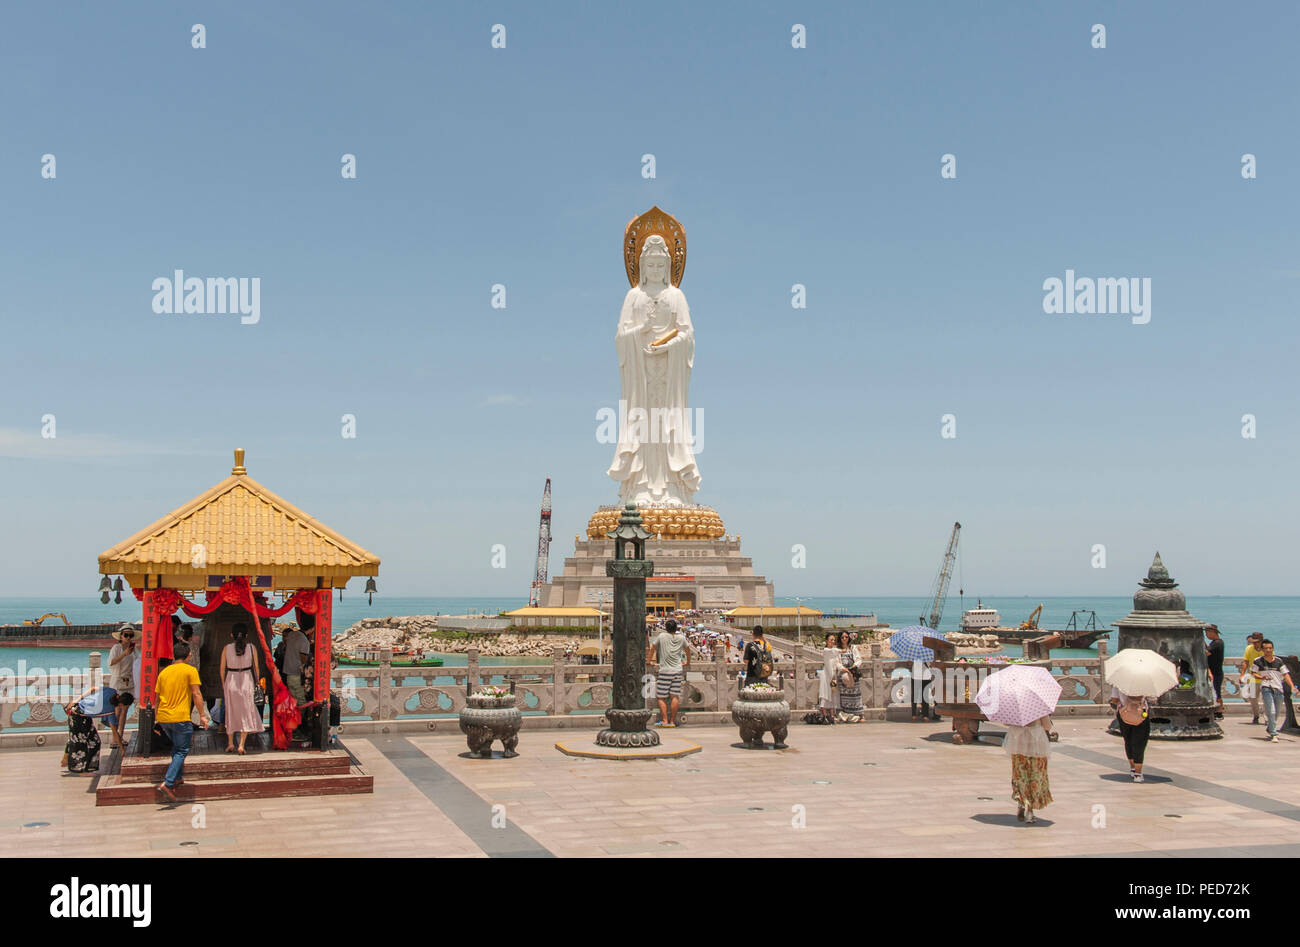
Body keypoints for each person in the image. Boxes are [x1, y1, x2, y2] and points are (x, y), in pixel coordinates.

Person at [154, 642, 208, 801]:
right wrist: (202, 715)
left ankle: (177, 777)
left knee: (176, 747)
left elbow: (157, 699)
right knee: (182, 750)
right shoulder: (190, 670)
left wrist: (158, 717)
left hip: (164, 717)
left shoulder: (163, 673)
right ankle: (168, 782)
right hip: (180, 716)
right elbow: (197, 694)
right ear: (188, 655)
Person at [62, 684, 133, 773]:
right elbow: (115, 732)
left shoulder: (112, 692)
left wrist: (77, 699)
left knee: (95, 742)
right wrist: (122, 749)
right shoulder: (110, 712)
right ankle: (79, 770)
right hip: (76, 714)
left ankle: (89, 767)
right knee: (80, 742)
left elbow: (92, 688)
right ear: (124, 705)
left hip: (85, 716)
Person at [220, 623, 264, 754]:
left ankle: (230, 743)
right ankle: (241, 745)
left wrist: (224, 684)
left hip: (231, 680)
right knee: (246, 712)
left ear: (231, 635)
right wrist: (258, 683)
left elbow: (222, 669)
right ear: (246, 635)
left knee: (230, 711)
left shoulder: (226, 648)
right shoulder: (251, 648)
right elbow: (256, 669)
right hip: (247, 680)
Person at [1005, 714, 1053, 823]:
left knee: (1020, 775)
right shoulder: (1039, 707)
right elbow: (1047, 726)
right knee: (1035, 777)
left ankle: (1021, 801)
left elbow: (1006, 723)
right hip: (1036, 746)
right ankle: (1030, 813)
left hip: (1018, 744)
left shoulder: (1014, 707)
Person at [1251, 639, 1295, 742]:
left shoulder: (1279, 661)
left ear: (1273, 649)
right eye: (1266, 648)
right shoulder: (1258, 661)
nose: (1268, 650)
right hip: (1266, 688)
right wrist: (1261, 677)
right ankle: (1274, 733)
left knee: (1277, 712)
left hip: (1278, 689)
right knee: (1271, 711)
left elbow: (1286, 674)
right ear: (1262, 649)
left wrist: (1292, 686)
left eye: (1270, 648)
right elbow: (1253, 673)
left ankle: (1270, 727)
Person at [650, 619, 689, 727]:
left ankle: (665, 720)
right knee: (674, 696)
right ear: (676, 628)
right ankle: (672, 721)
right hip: (677, 670)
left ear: (666, 628)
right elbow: (688, 649)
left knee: (661, 697)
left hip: (665, 670)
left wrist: (649, 661)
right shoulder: (681, 638)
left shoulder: (662, 636)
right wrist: (688, 661)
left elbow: (653, 647)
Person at [1110, 685, 1151, 781]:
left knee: (1128, 740)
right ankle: (1138, 773)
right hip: (1141, 714)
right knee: (1140, 743)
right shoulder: (1145, 681)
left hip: (1124, 713)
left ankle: (1133, 768)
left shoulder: (1119, 682)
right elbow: (1153, 698)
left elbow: (1114, 700)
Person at [107, 625, 137, 748]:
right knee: (117, 710)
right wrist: (124, 654)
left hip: (129, 682)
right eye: (126, 635)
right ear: (121, 636)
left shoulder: (133, 649)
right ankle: (115, 739)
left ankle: (121, 735)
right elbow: (111, 662)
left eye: (131, 635)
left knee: (125, 710)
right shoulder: (116, 648)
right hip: (117, 681)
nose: (128, 638)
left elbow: (137, 662)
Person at [281, 621, 312, 706]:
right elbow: (303, 660)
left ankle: (294, 718)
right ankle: (299, 719)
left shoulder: (292, 635)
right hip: (297, 675)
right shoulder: (303, 640)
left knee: (293, 702)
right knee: (301, 703)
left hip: (289, 674)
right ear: (312, 629)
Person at [836, 631, 864, 721]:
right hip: (843, 674)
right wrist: (843, 669)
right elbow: (836, 662)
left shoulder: (853, 648)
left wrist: (854, 667)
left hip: (853, 673)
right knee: (845, 695)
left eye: (846, 637)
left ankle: (860, 714)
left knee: (856, 694)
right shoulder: (837, 649)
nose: (844, 639)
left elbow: (859, 659)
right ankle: (847, 714)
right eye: (842, 637)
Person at [1243, 633, 1265, 724]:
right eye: (1254, 642)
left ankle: (1267, 717)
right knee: (1253, 698)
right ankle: (1256, 715)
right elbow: (1246, 662)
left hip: (1264, 678)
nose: (1255, 644)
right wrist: (1242, 675)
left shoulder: (1266, 648)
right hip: (1252, 678)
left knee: (1266, 699)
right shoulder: (1249, 649)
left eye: (1257, 642)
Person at [1204, 624, 1225, 719]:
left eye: (1207, 632)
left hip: (1215, 672)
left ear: (1212, 632)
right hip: (1215, 671)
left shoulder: (1217, 643)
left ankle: (1219, 711)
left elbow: (1206, 653)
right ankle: (1218, 711)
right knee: (1216, 691)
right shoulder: (1214, 643)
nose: (1206, 635)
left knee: (1217, 692)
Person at [817, 632, 839, 722]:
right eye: (831, 640)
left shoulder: (834, 651)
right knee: (825, 692)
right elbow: (835, 651)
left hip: (833, 674)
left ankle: (832, 714)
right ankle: (825, 715)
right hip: (826, 674)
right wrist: (844, 650)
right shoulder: (826, 650)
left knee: (832, 693)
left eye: (834, 640)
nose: (833, 641)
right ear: (827, 641)